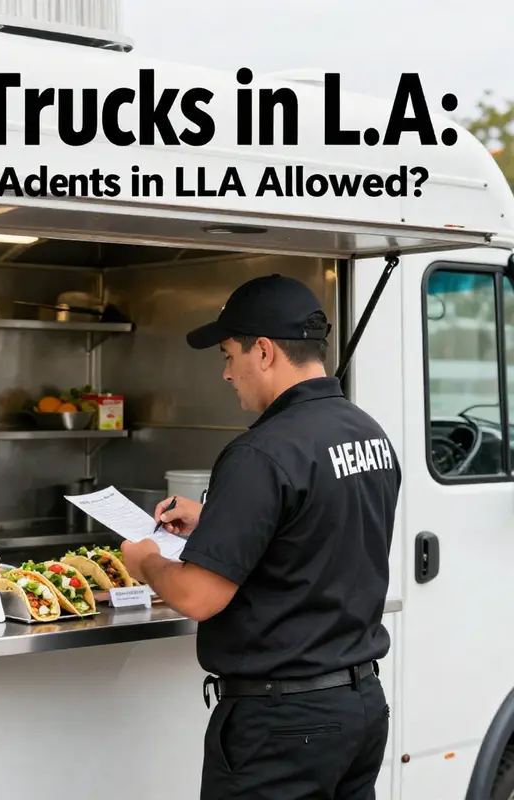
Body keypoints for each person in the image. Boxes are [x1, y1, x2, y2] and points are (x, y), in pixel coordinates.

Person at [120, 273, 401, 800]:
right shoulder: (368, 433)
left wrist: (146, 561)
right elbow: (321, 528)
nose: (227, 373)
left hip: (282, 725)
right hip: (359, 706)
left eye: (229, 355)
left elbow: (199, 597)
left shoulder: (261, 452)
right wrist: (216, 522)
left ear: (265, 352)